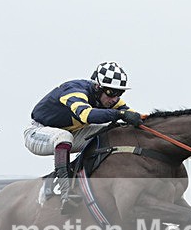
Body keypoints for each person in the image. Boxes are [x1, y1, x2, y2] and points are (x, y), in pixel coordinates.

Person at [24, 61, 144, 214]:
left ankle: (85, 173)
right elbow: (87, 115)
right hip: (37, 132)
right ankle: (65, 191)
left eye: (119, 93)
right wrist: (119, 114)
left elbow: (134, 116)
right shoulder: (74, 91)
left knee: (114, 131)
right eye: (111, 93)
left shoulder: (107, 97)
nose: (115, 99)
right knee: (63, 136)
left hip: (73, 133)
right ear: (97, 87)